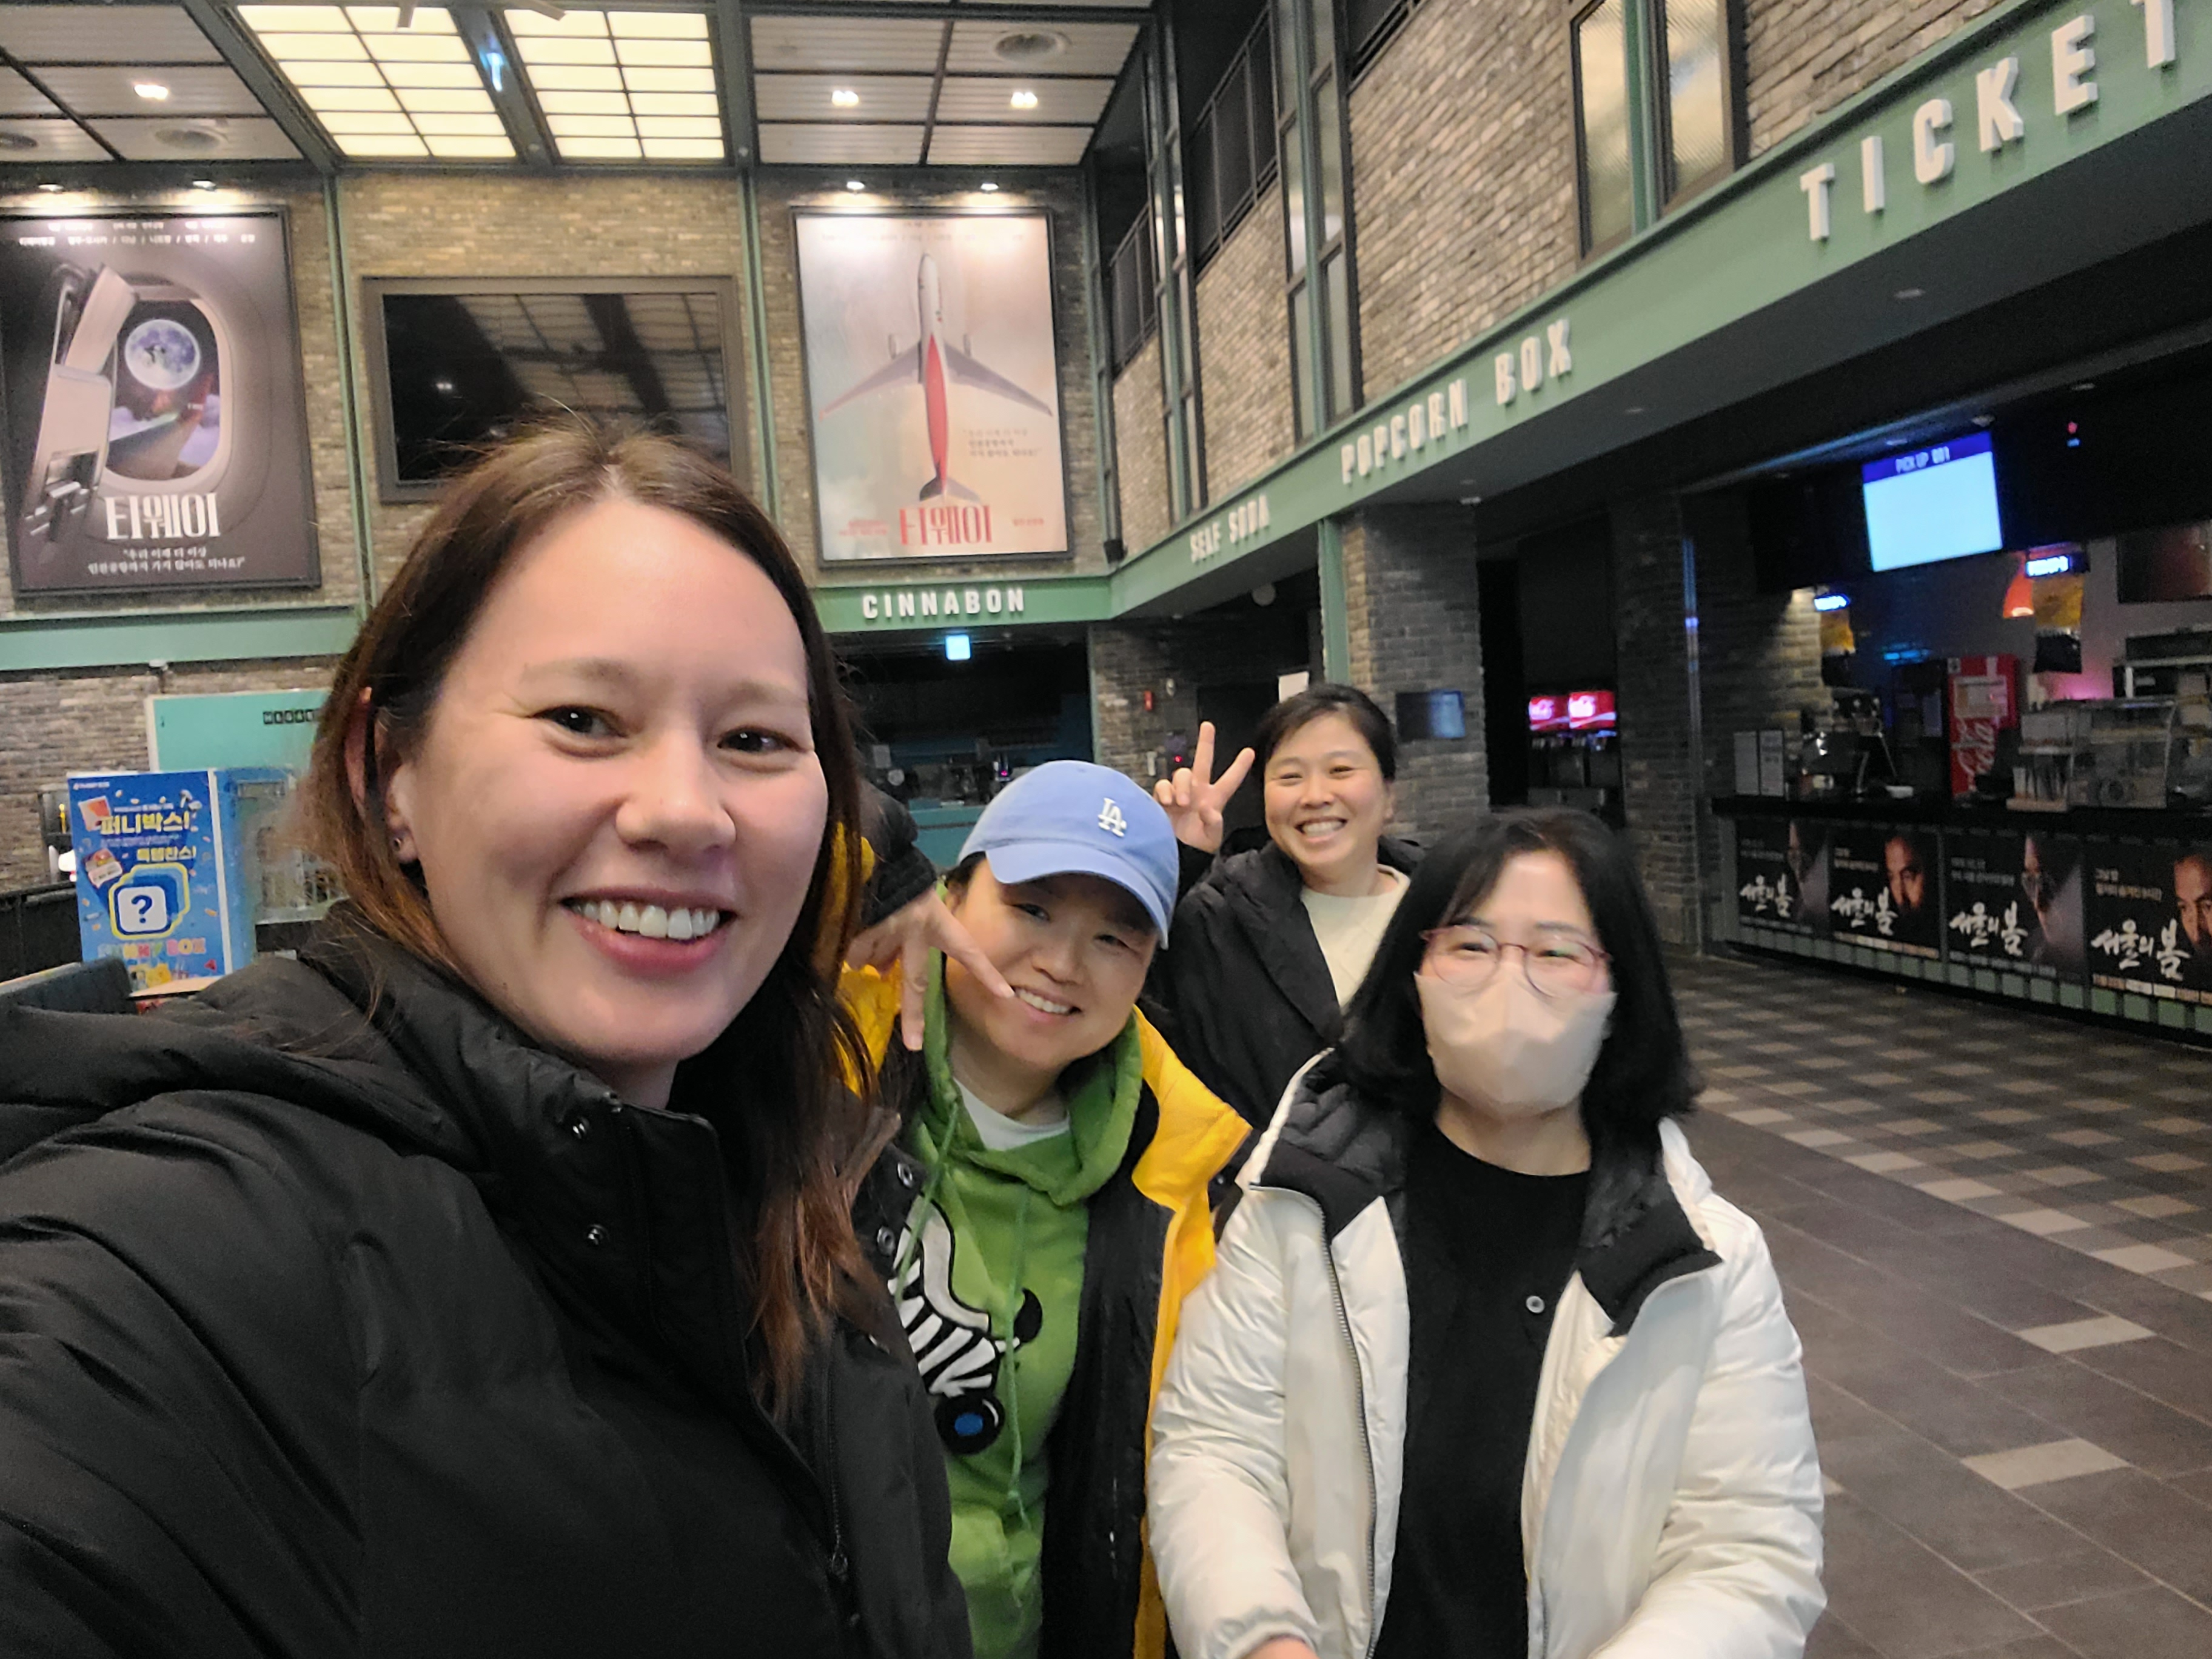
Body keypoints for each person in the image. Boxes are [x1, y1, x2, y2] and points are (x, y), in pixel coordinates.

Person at [0, 422, 972, 1659]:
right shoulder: (185, 1245)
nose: (686, 811)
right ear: (388, 774)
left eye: (754, 740)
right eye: (583, 718)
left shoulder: (779, 1171)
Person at [1148, 808, 1825, 1659]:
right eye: (1470, 945)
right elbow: (1216, 1447)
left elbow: (1750, 1550)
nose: (1510, 982)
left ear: (1620, 993)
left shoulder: (1702, 1263)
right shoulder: (1304, 1199)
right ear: (1413, 973)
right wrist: (1261, 1639)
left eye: (1557, 952)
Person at [844, 762, 1249, 1659]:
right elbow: (771, 804)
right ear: (950, 894)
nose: (1063, 965)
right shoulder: (828, 1052)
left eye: (1114, 938)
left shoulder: (1173, 1178)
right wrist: (881, 859)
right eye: (1031, 909)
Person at [1153, 685, 1422, 1125]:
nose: (1315, 796)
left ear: (1389, 796)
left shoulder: (1451, 908)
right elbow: (1125, 990)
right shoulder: (1215, 921)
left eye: (1340, 770)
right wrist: (1174, 861)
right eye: (1290, 777)